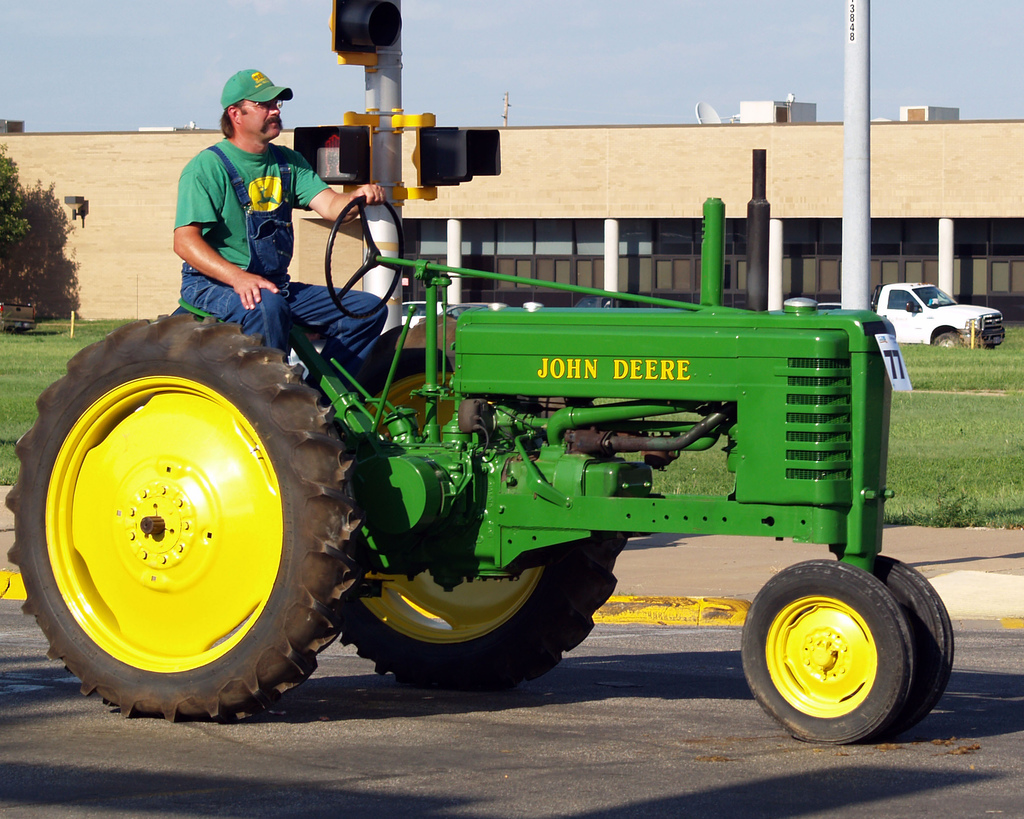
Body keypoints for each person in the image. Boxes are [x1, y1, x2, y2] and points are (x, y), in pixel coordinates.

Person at [174, 69, 387, 377]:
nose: (275, 111)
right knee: (267, 307)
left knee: (367, 310)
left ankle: (321, 406)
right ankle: (275, 407)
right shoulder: (207, 168)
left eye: (276, 104)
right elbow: (185, 241)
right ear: (235, 113)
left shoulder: (288, 162)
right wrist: (238, 278)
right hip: (214, 285)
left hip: (273, 285)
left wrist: (357, 197)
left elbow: (330, 206)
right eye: (264, 105)